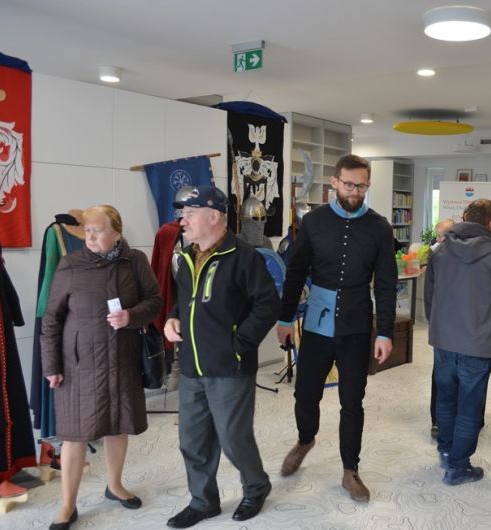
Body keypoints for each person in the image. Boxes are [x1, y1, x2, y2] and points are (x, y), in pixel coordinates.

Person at [275, 154, 397, 503]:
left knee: (352, 400)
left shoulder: (379, 227)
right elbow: (296, 272)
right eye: (349, 184)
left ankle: (350, 470)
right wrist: (285, 318)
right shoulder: (313, 222)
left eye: (362, 186)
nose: (355, 192)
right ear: (334, 182)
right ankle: (305, 439)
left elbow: (386, 284)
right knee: (305, 393)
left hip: (356, 324)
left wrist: (385, 332)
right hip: (317, 321)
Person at [164, 185, 280, 527]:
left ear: (213, 216)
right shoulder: (186, 256)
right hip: (192, 366)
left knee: (233, 438)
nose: (182, 220)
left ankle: (256, 486)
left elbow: (268, 305)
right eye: (182, 214)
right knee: (192, 440)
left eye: (190, 213)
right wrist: (173, 317)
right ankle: (203, 502)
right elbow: (185, 301)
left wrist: (238, 344)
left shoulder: (244, 257)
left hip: (229, 366)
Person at [41, 205, 162, 529]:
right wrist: (51, 365)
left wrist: (131, 316)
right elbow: (51, 319)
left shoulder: (135, 261)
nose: (90, 236)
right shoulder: (71, 265)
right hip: (79, 366)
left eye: (98, 230)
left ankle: (115, 486)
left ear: (117, 233)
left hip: (122, 360)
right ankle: (67, 505)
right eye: (87, 230)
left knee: (118, 426)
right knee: (74, 435)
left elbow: (155, 301)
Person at [425, 198, 491, 486]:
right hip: (479, 343)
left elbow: (430, 297)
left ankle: (446, 452)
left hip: (444, 339)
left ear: (465, 217)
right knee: (470, 406)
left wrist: (437, 328)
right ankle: (458, 466)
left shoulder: (440, 252)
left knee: (446, 398)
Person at [427, 218, 455, 439]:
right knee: (441, 374)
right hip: (446, 326)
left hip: (449, 325)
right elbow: (430, 293)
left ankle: (441, 420)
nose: (437, 240)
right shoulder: (436, 256)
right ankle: (438, 420)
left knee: (444, 373)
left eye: (440, 236)